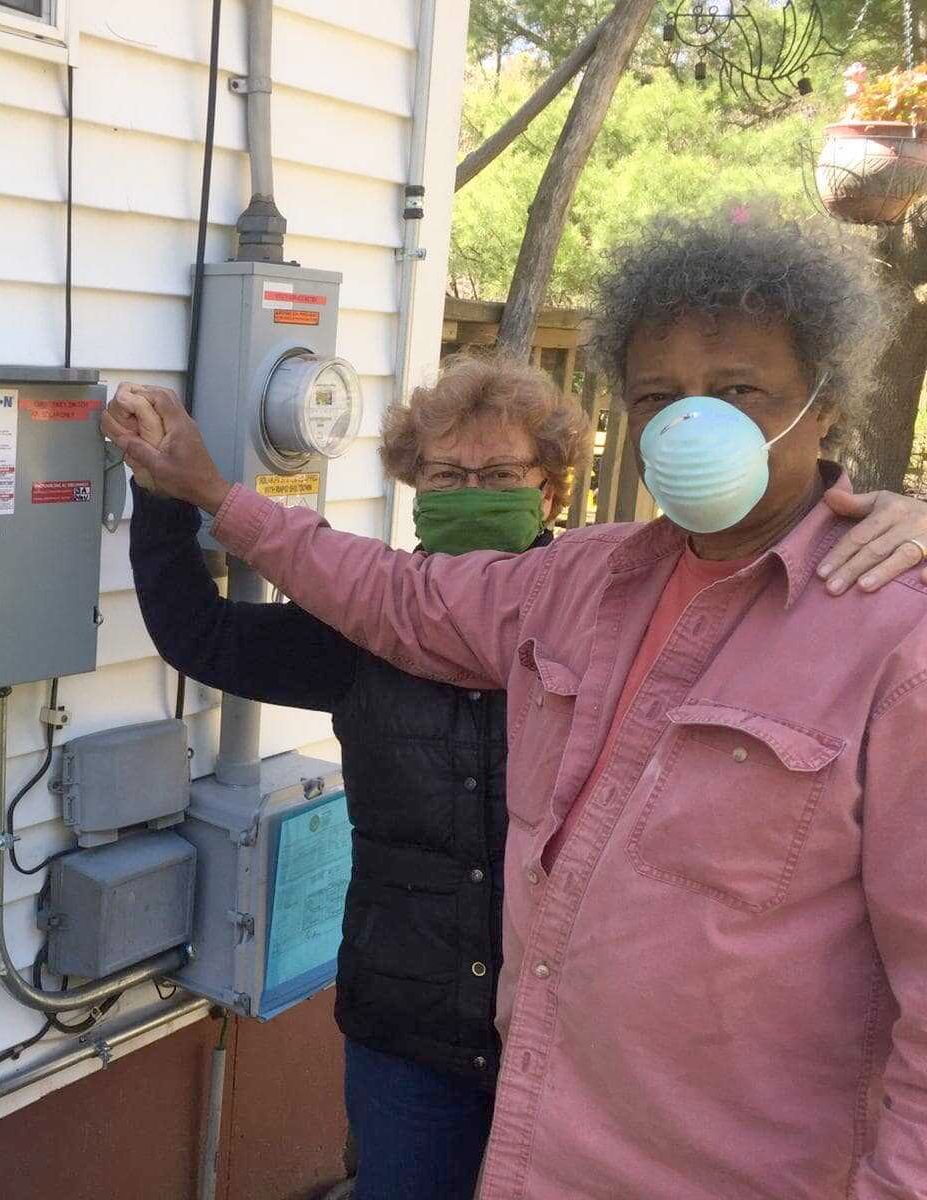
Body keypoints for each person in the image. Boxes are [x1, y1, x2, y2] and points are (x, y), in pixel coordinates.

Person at [109, 215, 927, 1199]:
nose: (692, 420)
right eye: (659, 396)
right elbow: (363, 591)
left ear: (823, 408)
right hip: (454, 1059)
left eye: (738, 389)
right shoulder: (564, 595)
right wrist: (193, 491)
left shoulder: (892, 640)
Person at [130, 356, 588, 1199]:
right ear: (418, 489)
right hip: (407, 1033)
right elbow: (205, 636)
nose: (471, 488)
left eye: (499, 474)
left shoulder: (604, 622)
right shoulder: (366, 621)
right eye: (449, 474)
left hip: (568, 1037)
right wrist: (162, 493)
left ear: (550, 492)